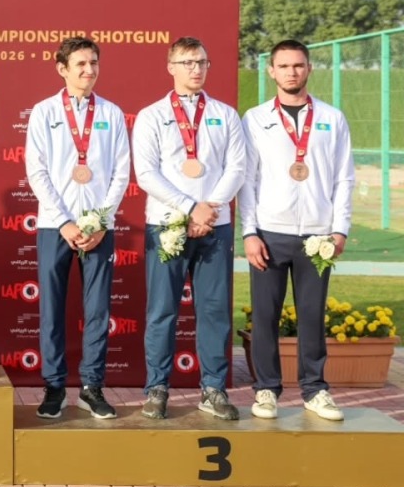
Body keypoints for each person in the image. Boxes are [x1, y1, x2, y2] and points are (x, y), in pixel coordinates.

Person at [238, 39, 354, 422]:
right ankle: (266, 390)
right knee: (265, 316)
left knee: (312, 315)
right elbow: (247, 180)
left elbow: (344, 178)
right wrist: (249, 232)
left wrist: (340, 229)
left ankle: (315, 390)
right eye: (284, 66)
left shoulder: (332, 118)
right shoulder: (255, 118)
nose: (292, 72)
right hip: (270, 232)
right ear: (271, 70)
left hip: (319, 235)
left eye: (298, 65)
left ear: (309, 69)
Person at [132, 37, 246, 420]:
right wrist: (189, 208)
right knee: (162, 310)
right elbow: (146, 173)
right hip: (166, 224)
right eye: (187, 62)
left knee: (214, 310)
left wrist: (208, 209)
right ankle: (157, 388)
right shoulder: (151, 115)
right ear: (171, 67)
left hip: (215, 225)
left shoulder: (225, 114)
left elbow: (237, 168)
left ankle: (213, 389)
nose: (196, 69)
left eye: (202, 62)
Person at [24, 36, 130, 419]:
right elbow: (36, 170)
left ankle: (91, 386)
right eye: (81, 64)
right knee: (52, 308)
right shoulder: (43, 111)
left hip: (99, 228)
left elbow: (121, 172)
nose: (89, 70)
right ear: (62, 69)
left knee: (98, 310)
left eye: (94, 63)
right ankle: (54, 386)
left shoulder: (112, 113)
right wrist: (65, 222)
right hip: (55, 225)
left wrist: (100, 221)